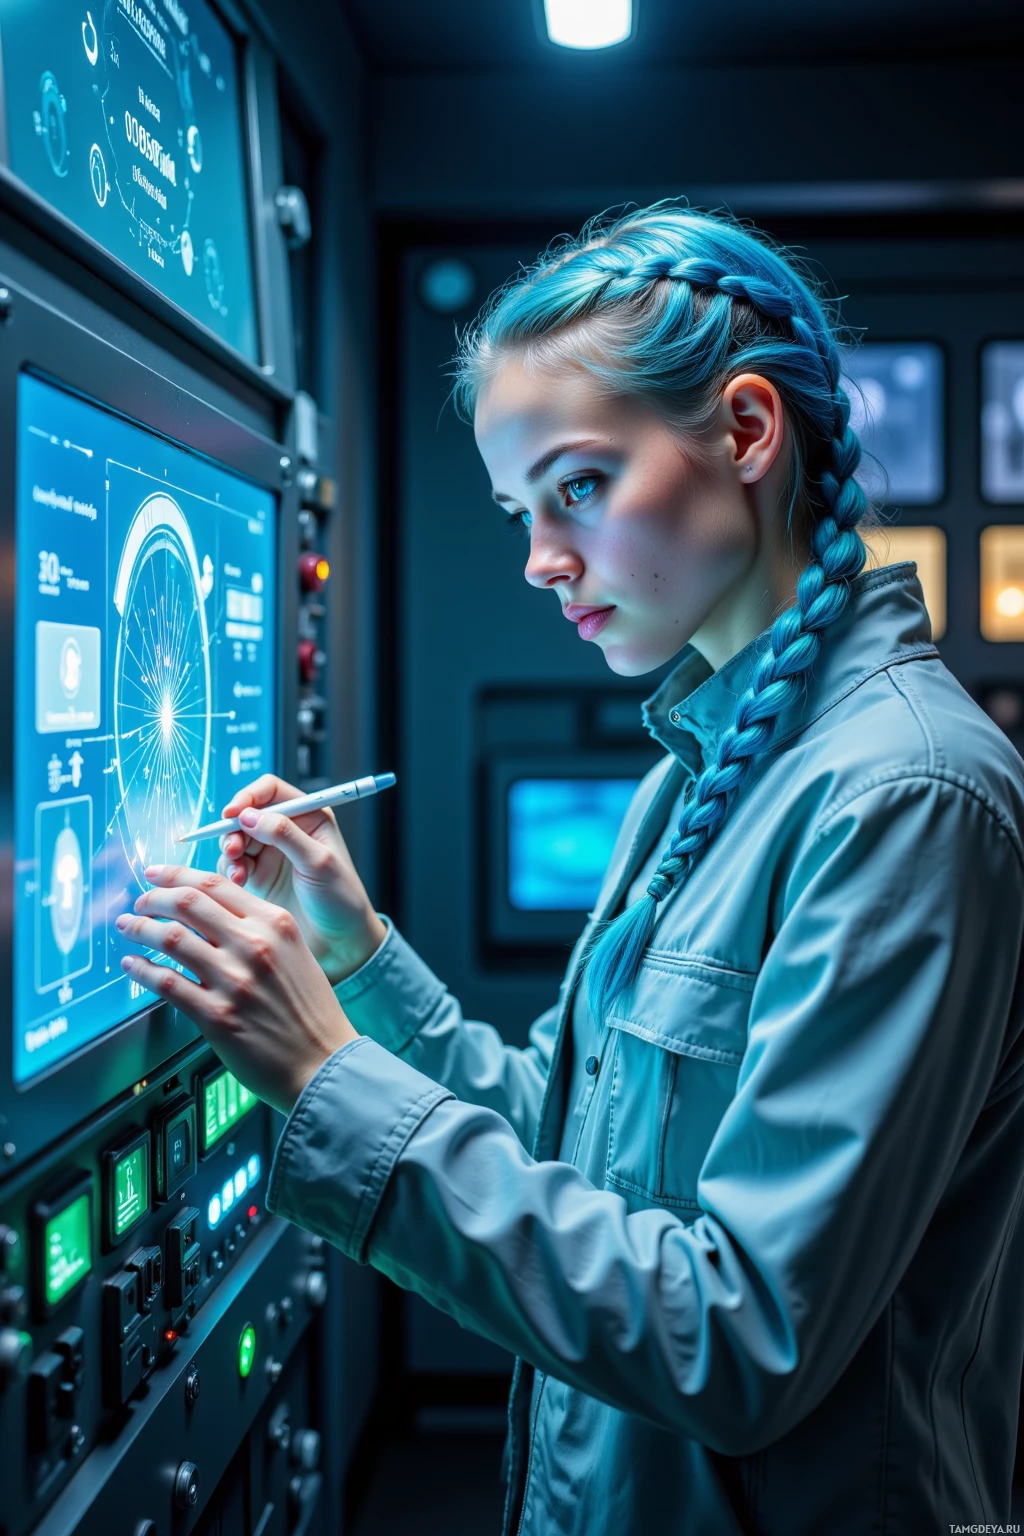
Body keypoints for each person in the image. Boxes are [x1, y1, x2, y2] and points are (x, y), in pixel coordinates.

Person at [116, 204, 1024, 1534]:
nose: (543, 558)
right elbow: (572, 1138)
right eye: (518, 510)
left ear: (749, 432)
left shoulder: (906, 797)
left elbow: (745, 1334)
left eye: (580, 486)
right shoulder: (700, 767)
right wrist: (358, 955)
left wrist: (328, 1082)